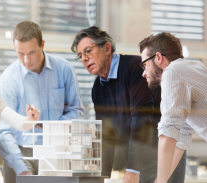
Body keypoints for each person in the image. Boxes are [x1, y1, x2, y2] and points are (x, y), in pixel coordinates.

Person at [71, 26, 185, 183]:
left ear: (107, 48)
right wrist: (98, 177)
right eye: (80, 56)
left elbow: (142, 120)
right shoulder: (97, 88)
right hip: (136, 162)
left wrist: (133, 169)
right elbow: (106, 136)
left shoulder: (136, 68)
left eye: (88, 51)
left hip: (162, 158)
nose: (84, 58)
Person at [139, 32, 207, 183]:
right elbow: (179, 140)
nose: (144, 73)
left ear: (158, 57)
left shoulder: (173, 71)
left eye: (144, 65)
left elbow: (168, 132)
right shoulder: (188, 73)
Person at [0, 21, 83, 183]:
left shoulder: (64, 69)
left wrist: (54, 130)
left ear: (42, 44)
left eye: (31, 52)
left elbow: (75, 109)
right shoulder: (8, 79)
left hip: (58, 148)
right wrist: (20, 168)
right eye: (20, 53)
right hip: (20, 152)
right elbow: (4, 131)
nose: (26, 60)